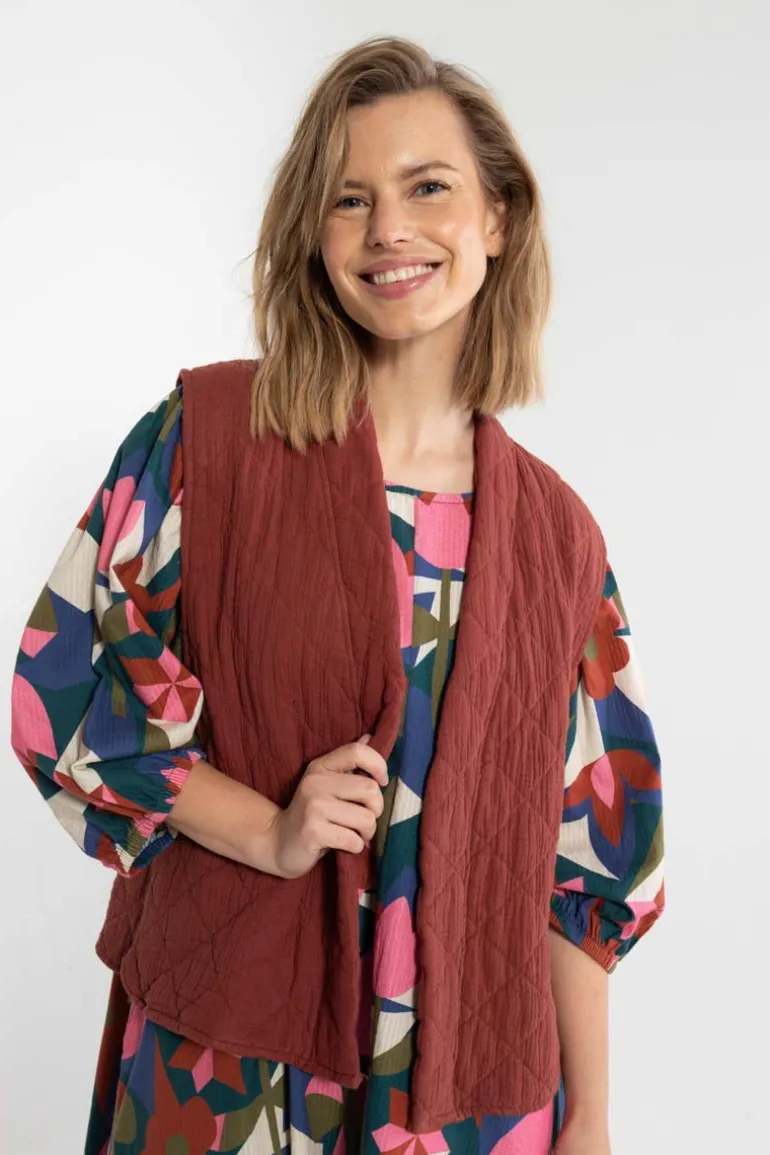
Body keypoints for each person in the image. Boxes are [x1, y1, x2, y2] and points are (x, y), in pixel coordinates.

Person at [10, 33, 664, 1155]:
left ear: (498, 218)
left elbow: (589, 861)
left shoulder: (560, 538)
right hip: (229, 1072)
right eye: (349, 199)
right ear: (313, 235)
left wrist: (592, 1121)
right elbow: (64, 690)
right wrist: (266, 828)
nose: (389, 229)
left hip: (473, 1097)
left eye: (428, 188)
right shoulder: (207, 443)